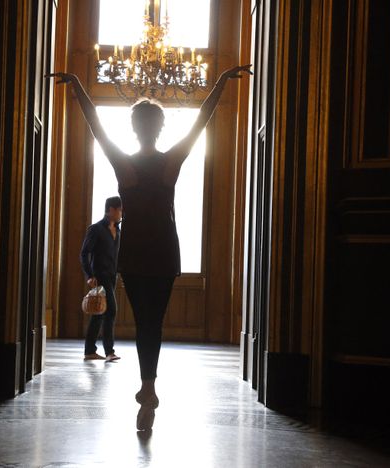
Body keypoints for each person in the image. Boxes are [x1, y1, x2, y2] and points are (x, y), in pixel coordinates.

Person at [49, 64, 251, 431]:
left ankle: (147, 386)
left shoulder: (124, 164)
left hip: (135, 254)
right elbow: (201, 120)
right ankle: (148, 386)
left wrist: (78, 85)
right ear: (159, 128)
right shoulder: (169, 163)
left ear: (133, 128)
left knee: (143, 322)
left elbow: (96, 125)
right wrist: (220, 81)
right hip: (165, 253)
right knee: (154, 323)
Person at [80, 196, 123, 362]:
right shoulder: (96, 229)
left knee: (99, 313)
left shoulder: (118, 231)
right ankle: (109, 351)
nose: (121, 213)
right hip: (99, 277)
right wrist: (89, 275)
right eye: (120, 209)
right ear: (111, 210)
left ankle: (89, 350)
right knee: (111, 310)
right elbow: (84, 253)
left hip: (112, 276)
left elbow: (116, 256)